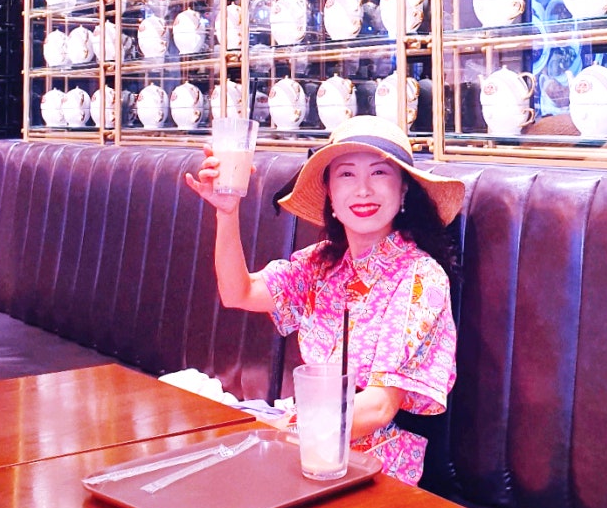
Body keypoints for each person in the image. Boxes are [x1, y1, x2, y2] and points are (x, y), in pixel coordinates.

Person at [185, 115, 466, 485]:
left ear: (403, 192)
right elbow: (239, 292)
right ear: (330, 193)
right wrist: (227, 212)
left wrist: (283, 434)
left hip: (378, 467)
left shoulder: (420, 277)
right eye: (346, 174)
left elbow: (379, 407)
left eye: (379, 173)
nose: (363, 190)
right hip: (307, 446)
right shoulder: (322, 264)